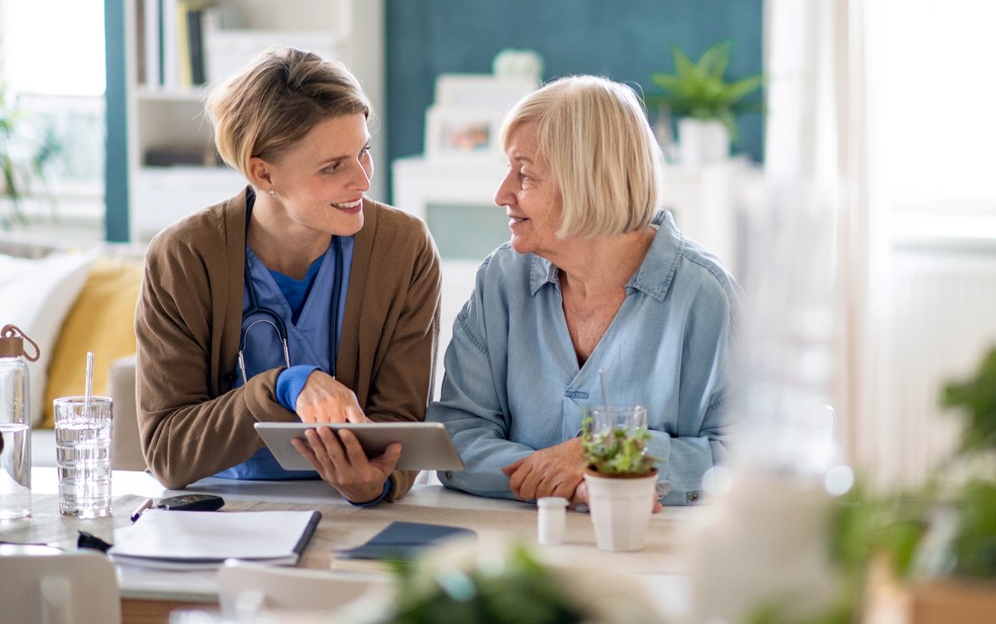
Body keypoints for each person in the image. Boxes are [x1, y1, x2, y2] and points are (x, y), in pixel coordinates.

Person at [135, 46, 441, 506]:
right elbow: (167, 451)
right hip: (220, 512)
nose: (362, 180)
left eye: (364, 153)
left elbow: (400, 428)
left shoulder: (404, 249)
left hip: (349, 511)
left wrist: (375, 482)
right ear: (263, 172)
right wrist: (283, 386)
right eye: (333, 166)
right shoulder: (183, 258)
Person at [426, 75, 740, 507]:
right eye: (507, 170)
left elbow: (745, 458)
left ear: (587, 182)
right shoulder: (501, 280)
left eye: (524, 174)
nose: (502, 194)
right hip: (517, 542)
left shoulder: (707, 298)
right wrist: (574, 480)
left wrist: (605, 453)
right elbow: (457, 435)